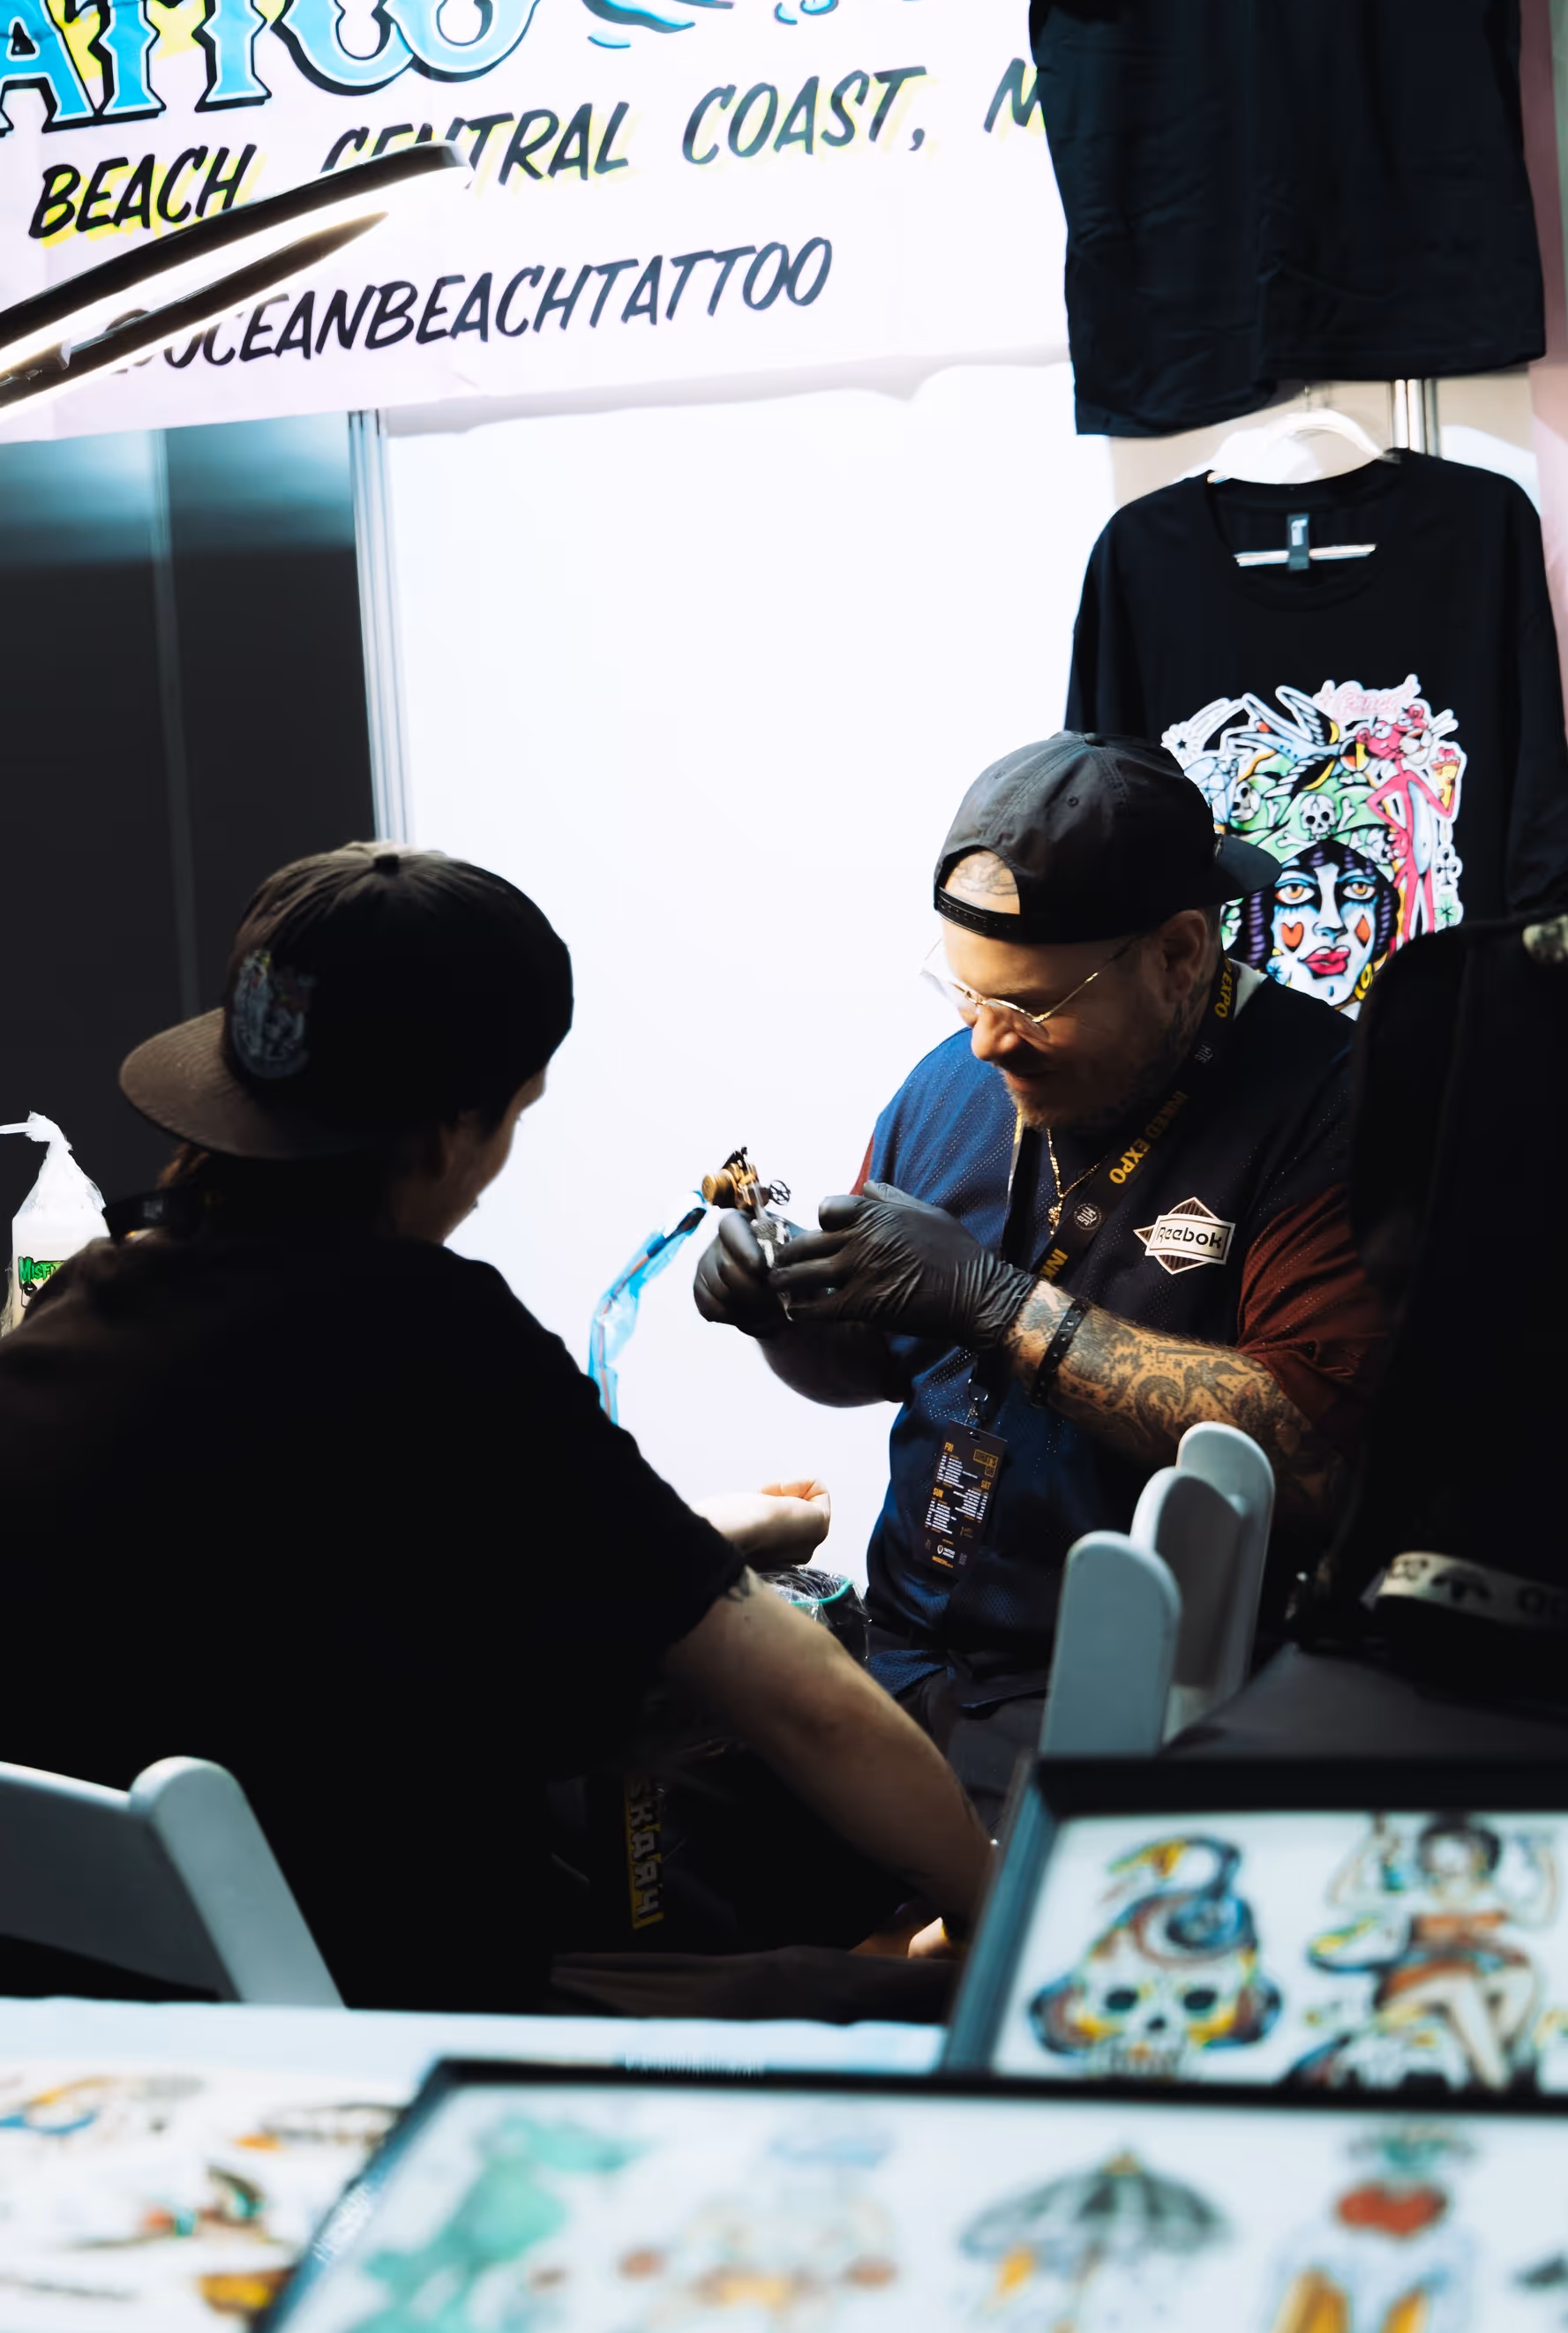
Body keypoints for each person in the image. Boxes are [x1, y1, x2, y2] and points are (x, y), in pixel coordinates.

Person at [0, 844, 991, 2011]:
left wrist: (693, 1536)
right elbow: (807, 1701)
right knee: (924, 1999)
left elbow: (295, 1561)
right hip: (372, 2025)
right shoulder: (438, 1334)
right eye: (513, 1119)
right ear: (447, 1129)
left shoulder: (87, 1299)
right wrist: (998, 1909)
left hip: (91, 2012)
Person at [695, 733, 1389, 1805]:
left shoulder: (1326, 1104)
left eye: (1032, 1006)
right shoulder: (953, 1081)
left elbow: (1308, 1462)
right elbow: (875, 1366)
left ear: (1178, 952)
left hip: (1131, 1697)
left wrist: (1000, 1303)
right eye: (965, 995)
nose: (987, 1043)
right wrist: (781, 1314)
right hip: (902, 1649)